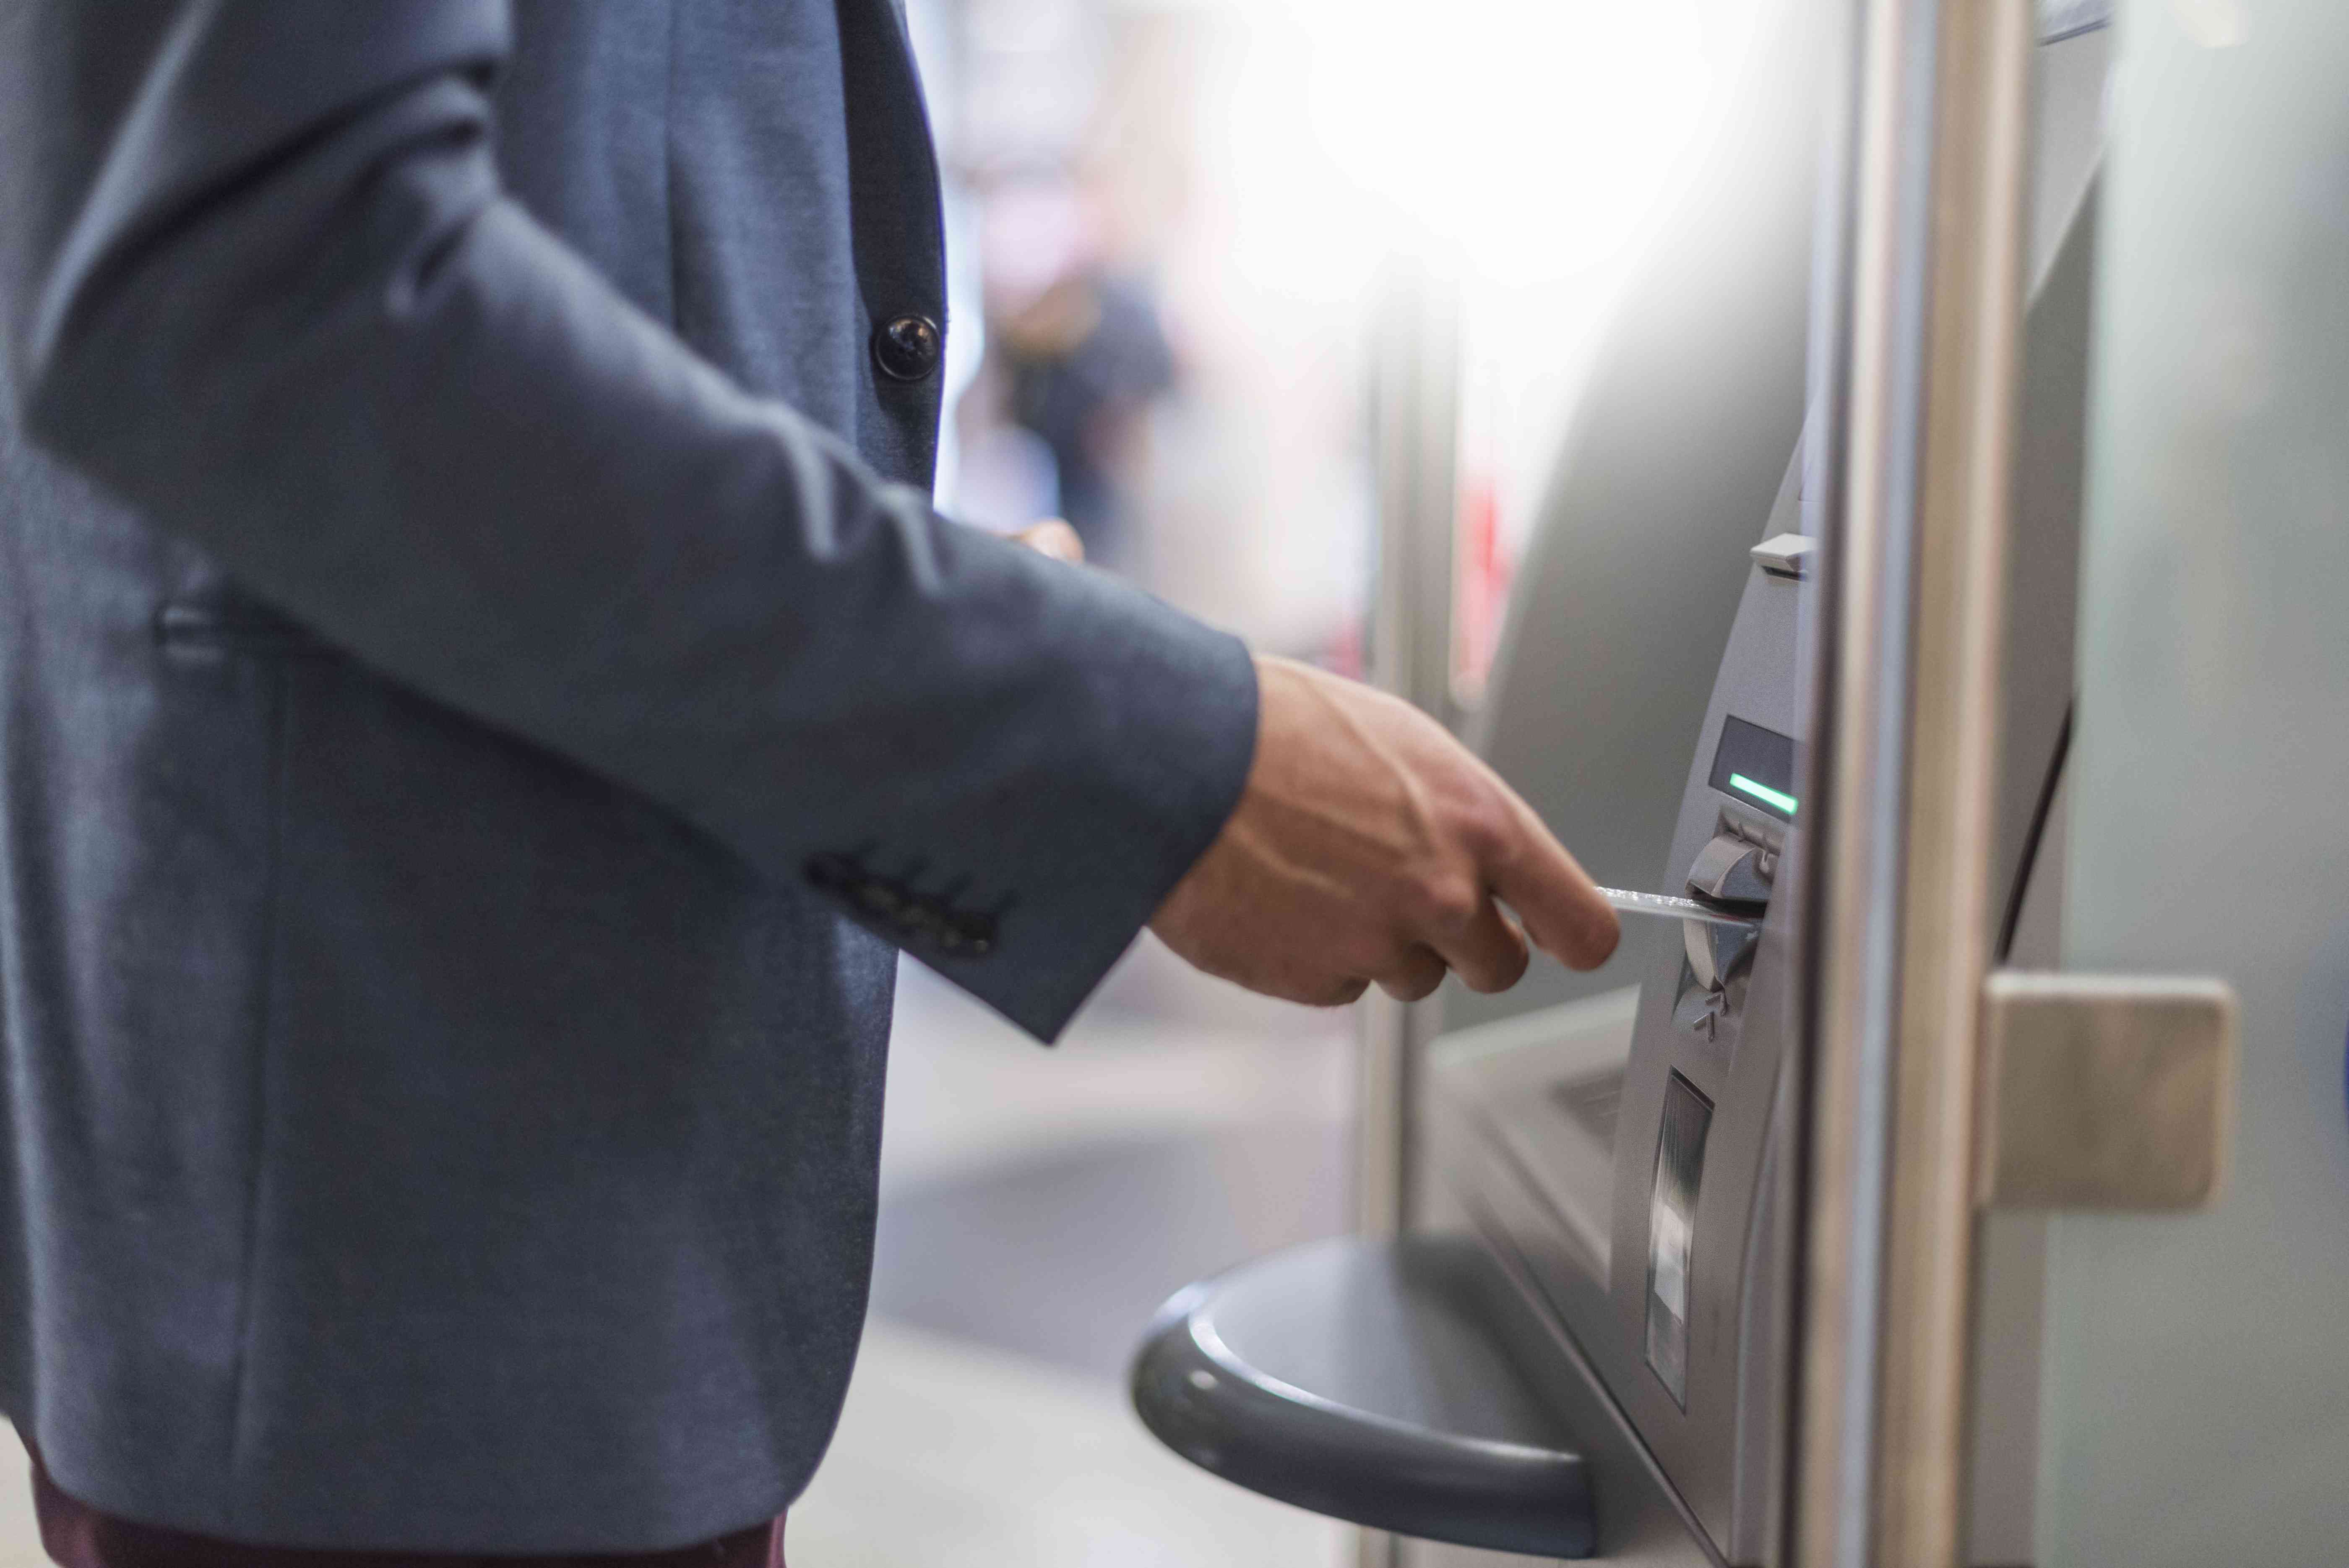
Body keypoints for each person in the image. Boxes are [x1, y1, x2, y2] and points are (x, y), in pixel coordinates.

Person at [0, 3, 1618, 1561]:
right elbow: (272, 292)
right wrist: (1141, 759)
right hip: (408, 1248)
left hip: (532, 1212)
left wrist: (946, 589)